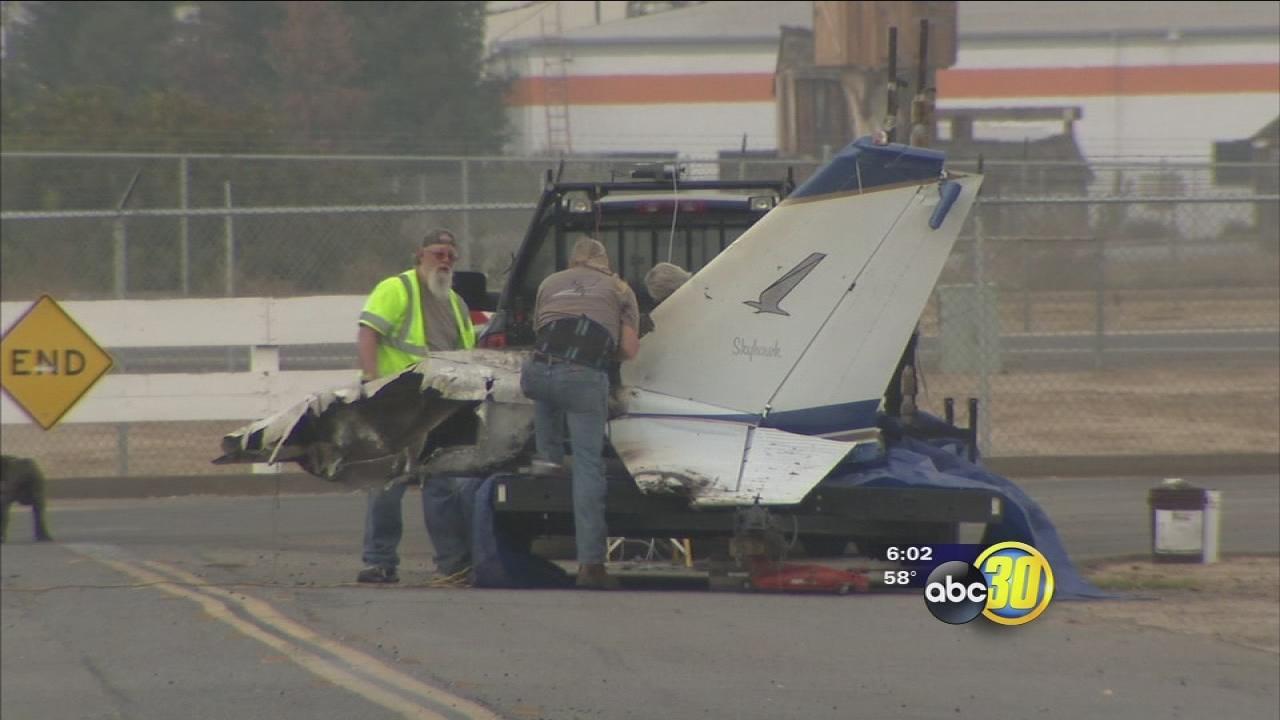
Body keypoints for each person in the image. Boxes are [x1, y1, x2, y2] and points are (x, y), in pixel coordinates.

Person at [355, 228, 476, 584]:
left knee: (441, 484)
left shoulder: (456, 303)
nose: (445, 261)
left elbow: (465, 354)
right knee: (387, 482)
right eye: (438, 253)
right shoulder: (397, 289)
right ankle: (380, 561)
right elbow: (368, 334)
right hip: (397, 400)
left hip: (440, 405)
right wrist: (372, 383)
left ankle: (453, 565)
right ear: (419, 255)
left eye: (451, 256)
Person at [519, 237, 640, 590]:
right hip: (582, 378)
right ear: (604, 263)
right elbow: (629, 350)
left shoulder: (549, 283)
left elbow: (542, 333)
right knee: (588, 466)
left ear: (573, 262)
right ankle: (591, 565)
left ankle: (549, 458)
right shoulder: (619, 289)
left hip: (536, 373)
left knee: (547, 388)